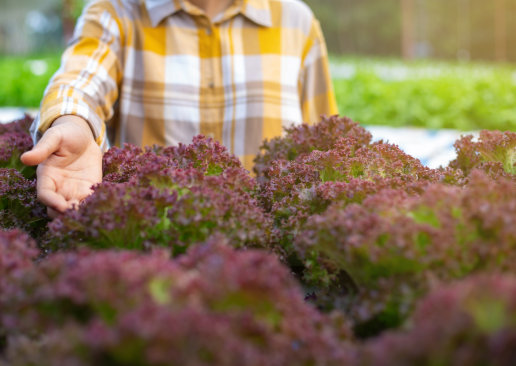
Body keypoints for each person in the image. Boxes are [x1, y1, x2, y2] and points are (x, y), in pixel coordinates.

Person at [21, 0, 338, 216]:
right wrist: (73, 122)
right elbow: (80, 80)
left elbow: (326, 142)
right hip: (154, 250)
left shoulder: (297, 22)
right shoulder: (116, 12)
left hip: (266, 263)